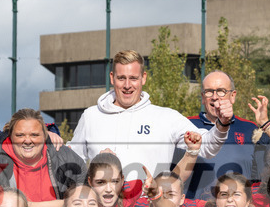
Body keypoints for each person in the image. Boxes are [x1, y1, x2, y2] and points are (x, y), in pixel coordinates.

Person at [67, 50, 233, 181]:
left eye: (133, 78)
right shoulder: (91, 116)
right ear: (112, 78)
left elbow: (208, 148)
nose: (127, 85)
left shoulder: (166, 117)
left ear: (143, 78)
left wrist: (222, 124)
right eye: (121, 78)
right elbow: (72, 167)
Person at [0, 108, 86, 207]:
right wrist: (61, 205)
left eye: (34, 135)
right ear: (10, 136)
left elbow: (84, 203)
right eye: (20, 135)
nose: (28, 141)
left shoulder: (65, 157)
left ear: (44, 136)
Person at [179, 70, 258, 199]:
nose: (215, 97)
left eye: (221, 91)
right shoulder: (186, 126)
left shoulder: (250, 129)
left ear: (232, 96)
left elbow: (259, 180)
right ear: (203, 97)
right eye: (209, 91)